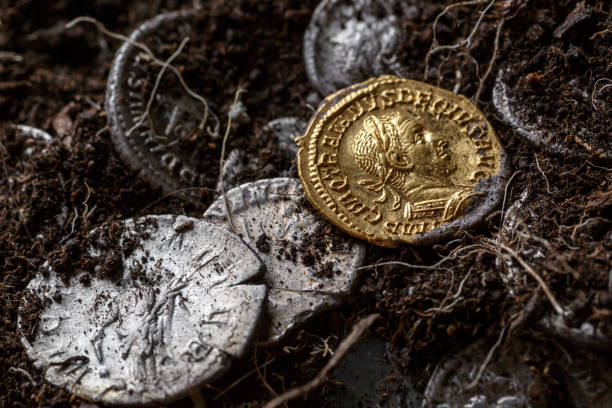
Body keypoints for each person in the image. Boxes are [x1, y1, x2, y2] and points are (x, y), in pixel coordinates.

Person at [352, 111, 473, 221]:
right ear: (399, 160)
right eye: (419, 137)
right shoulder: (464, 200)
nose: (442, 139)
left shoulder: (412, 209)